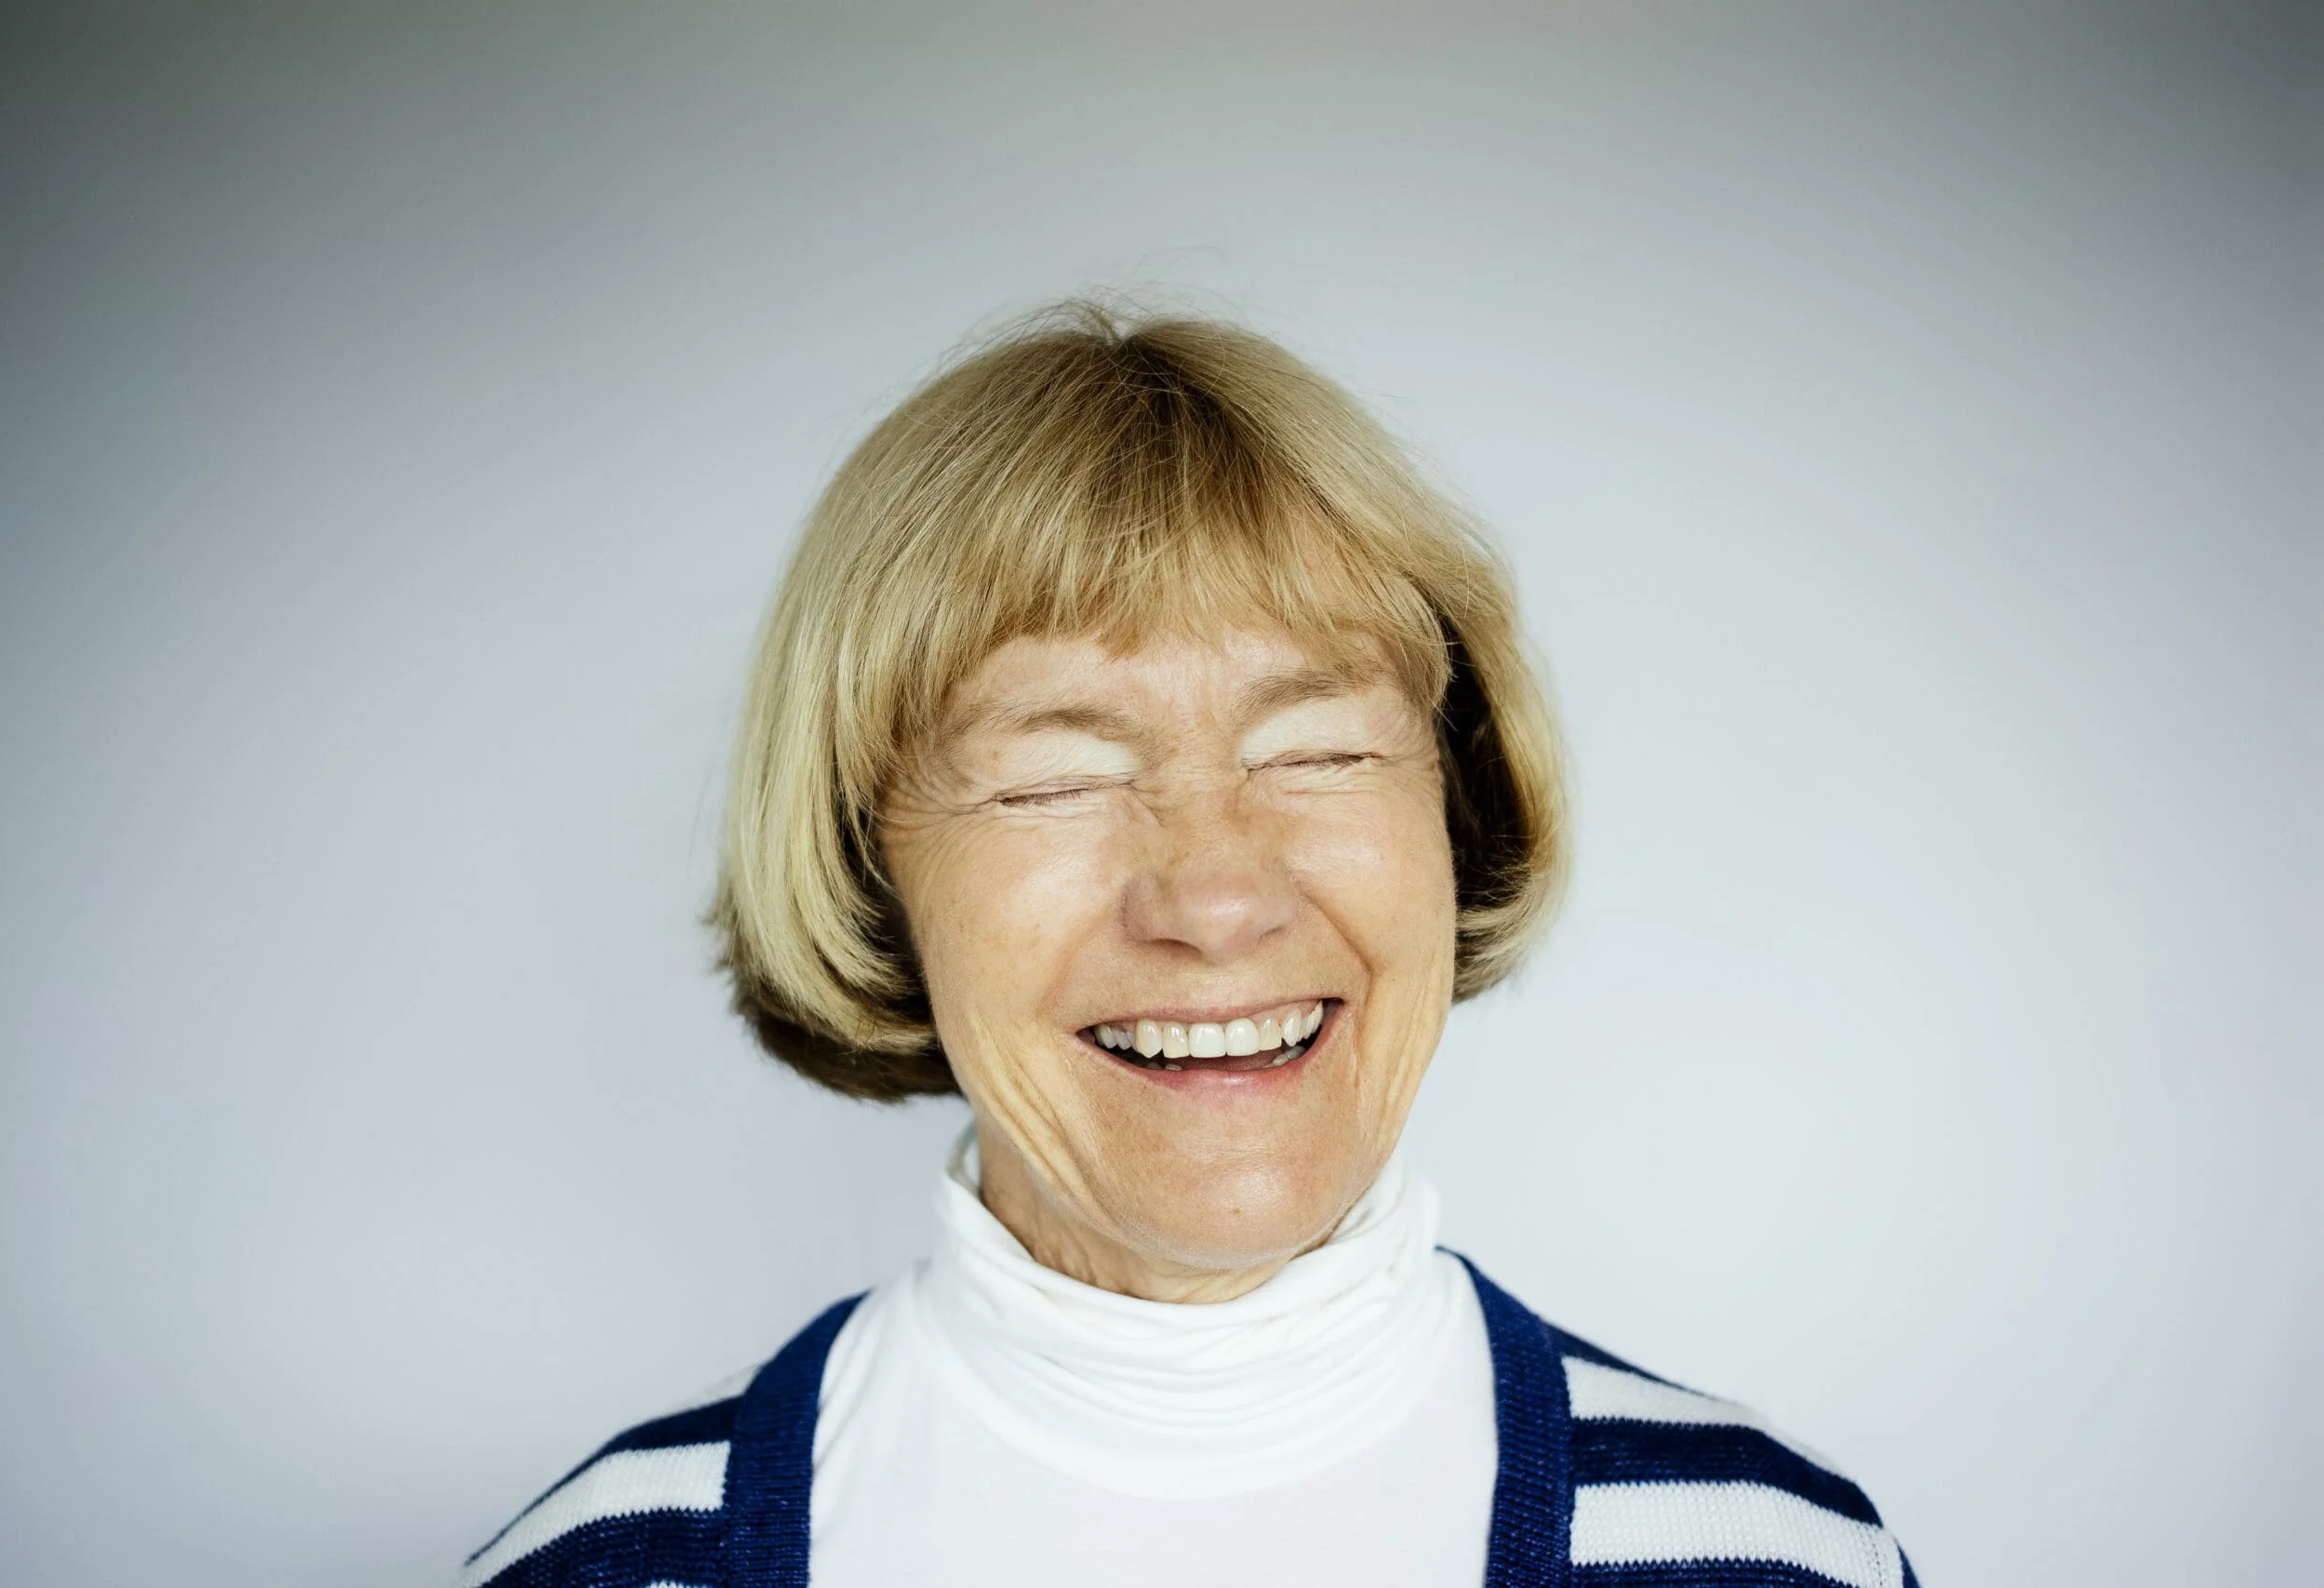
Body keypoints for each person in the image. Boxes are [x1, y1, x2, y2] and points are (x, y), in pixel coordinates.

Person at [457, 305, 1920, 1588]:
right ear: (867, 864)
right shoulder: (597, 1566)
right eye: (1057, 777)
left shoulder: (1784, 1552)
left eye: (1321, 748)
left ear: (1453, 806)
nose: (1217, 897)